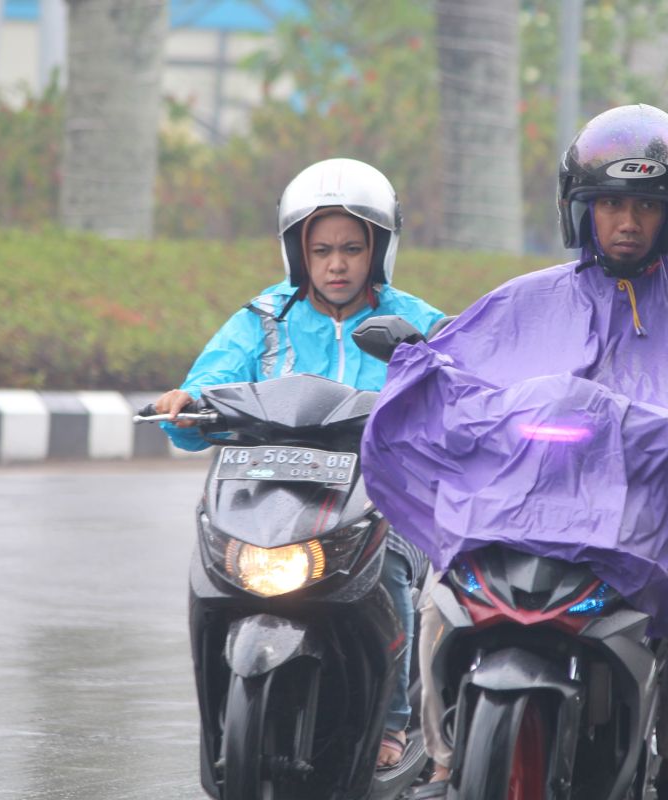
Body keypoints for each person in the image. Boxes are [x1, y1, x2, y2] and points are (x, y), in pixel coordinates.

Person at [360, 106, 668, 800]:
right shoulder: (524, 299)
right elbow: (458, 370)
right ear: (581, 210)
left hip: (652, 519)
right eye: (611, 205)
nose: (628, 222)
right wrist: (419, 366)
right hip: (523, 504)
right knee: (440, 593)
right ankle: (445, 762)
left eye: (646, 207)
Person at [152, 157, 445, 769]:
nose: (336, 264)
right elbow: (210, 383)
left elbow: (466, 376)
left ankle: (393, 722)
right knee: (211, 564)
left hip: (383, 500)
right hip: (273, 501)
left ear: (379, 250)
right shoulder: (261, 321)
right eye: (320, 250)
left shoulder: (415, 322)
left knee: (390, 570)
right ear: (297, 253)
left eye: (351, 248)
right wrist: (186, 403)